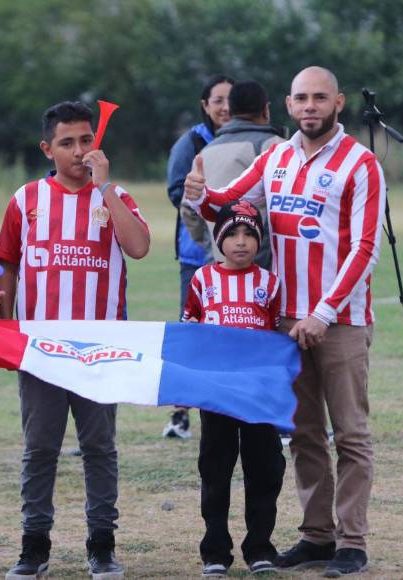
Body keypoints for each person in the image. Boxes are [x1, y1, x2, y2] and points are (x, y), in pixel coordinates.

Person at [184, 66, 386, 577]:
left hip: (339, 319)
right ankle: (317, 535)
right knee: (303, 433)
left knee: (351, 434)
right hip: (284, 322)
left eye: (320, 97)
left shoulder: (361, 164)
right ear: (288, 105)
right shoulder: (275, 155)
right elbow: (228, 206)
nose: (310, 106)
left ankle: (352, 542)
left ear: (338, 102)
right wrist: (198, 195)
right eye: (301, 98)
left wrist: (324, 312)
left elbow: (365, 248)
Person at [0, 101, 150, 580]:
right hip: (40, 349)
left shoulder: (116, 195)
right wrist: (3, 325)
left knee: (99, 447)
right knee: (39, 449)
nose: (79, 151)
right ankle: (34, 545)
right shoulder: (26, 199)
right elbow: (8, 267)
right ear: (48, 148)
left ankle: (101, 544)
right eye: (67, 142)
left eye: (86, 140)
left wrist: (105, 188)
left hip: (101, 349)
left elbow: (139, 248)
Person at [182, 200, 284, 578]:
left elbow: (276, 337)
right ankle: (215, 551)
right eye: (232, 234)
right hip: (216, 394)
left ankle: (260, 547)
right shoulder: (202, 281)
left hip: (256, 395)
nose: (240, 242)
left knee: (265, 469)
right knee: (215, 469)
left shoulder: (269, 284)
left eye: (249, 235)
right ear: (219, 239)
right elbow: (188, 329)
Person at [163, 74, 234, 439]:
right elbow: (177, 190)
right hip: (198, 254)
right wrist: (213, 209)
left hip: (241, 254)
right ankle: (180, 413)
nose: (225, 107)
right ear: (205, 105)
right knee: (191, 328)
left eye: (231, 100)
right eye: (217, 100)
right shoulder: (191, 142)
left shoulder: (246, 139)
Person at [181, 79, 287, 268]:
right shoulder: (276, 147)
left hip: (220, 264)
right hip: (265, 266)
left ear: (231, 110)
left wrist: (213, 246)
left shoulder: (205, 152)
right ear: (266, 109)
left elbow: (189, 208)